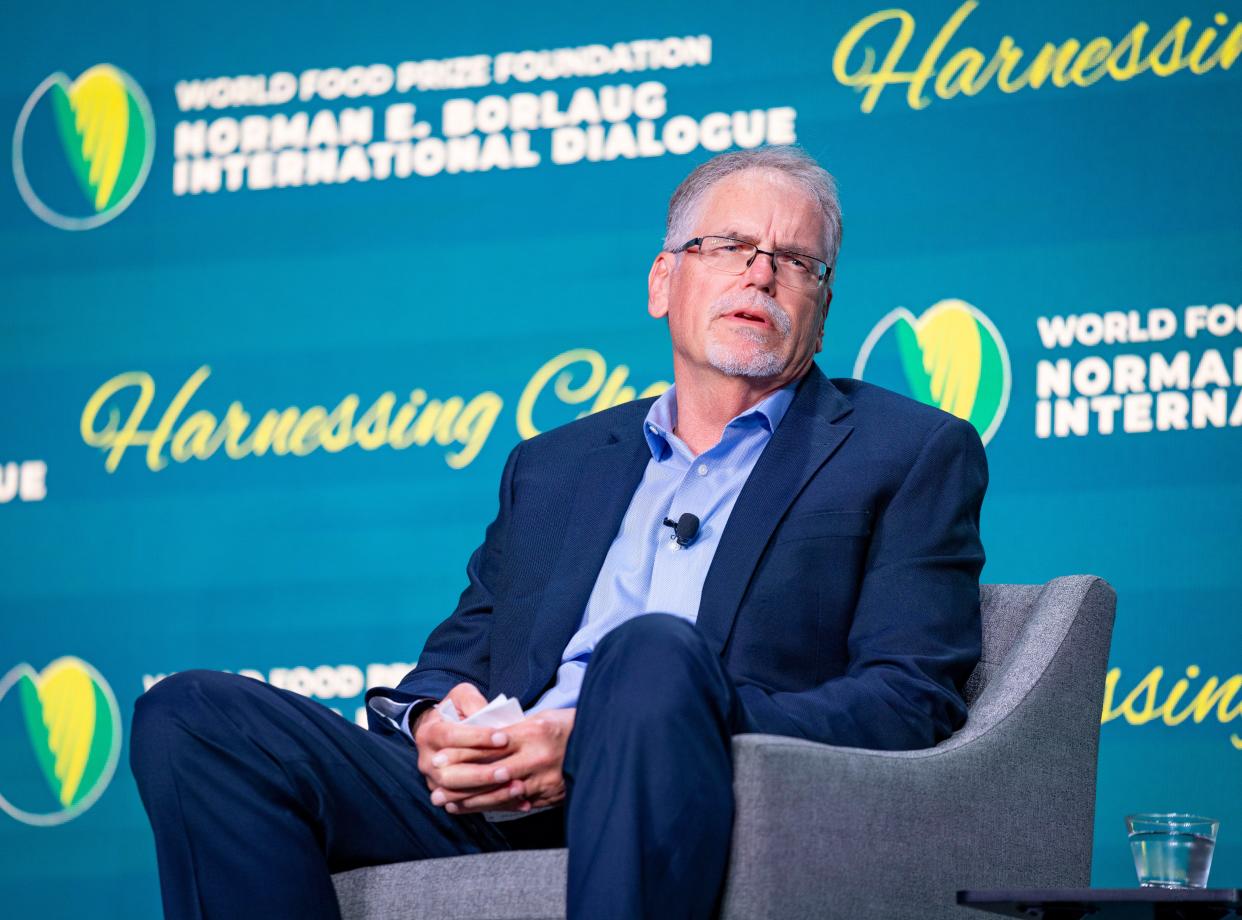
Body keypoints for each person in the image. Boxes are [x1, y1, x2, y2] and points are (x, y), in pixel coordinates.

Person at [131, 145, 987, 920]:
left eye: (794, 261)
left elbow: (909, 698)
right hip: (503, 792)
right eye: (728, 247)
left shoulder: (905, 452)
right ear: (662, 283)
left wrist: (594, 737)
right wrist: (435, 720)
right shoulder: (556, 464)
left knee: (650, 653)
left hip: (685, 777)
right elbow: (461, 649)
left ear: (822, 306)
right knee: (194, 716)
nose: (759, 275)